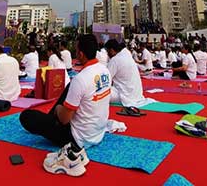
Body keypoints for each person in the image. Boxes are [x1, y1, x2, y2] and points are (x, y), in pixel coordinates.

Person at [19, 34, 111, 177]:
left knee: (26, 116)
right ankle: (52, 115)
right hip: (98, 131)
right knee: (69, 87)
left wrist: (57, 109)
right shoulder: (105, 70)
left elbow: (64, 120)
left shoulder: (81, 79)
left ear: (80, 53)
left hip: (78, 138)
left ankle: (52, 118)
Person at [105, 39, 145, 108]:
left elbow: (106, 80)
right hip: (137, 95)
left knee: (99, 91)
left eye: (107, 52)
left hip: (125, 96)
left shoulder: (115, 60)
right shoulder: (127, 54)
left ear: (111, 50)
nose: (107, 54)